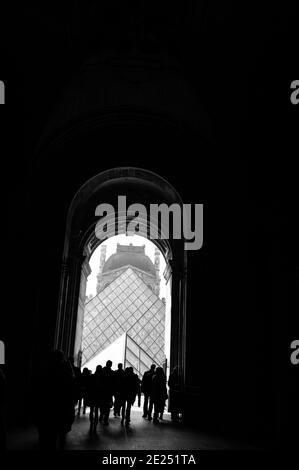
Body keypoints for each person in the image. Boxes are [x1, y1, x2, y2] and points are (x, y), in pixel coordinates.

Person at [37, 350, 76, 450]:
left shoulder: (44, 372)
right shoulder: (67, 374)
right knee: (61, 437)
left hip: (46, 411)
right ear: (62, 359)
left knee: (47, 440)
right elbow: (71, 394)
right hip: (62, 411)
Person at [88, 365, 103, 434]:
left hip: (92, 395)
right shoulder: (101, 378)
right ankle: (95, 426)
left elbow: (89, 387)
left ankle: (91, 423)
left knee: (91, 410)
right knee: (97, 410)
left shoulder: (92, 376)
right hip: (99, 396)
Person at [101, 360, 114, 425]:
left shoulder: (102, 371)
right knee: (108, 406)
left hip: (102, 391)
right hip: (109, 392)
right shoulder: (111, 372)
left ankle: (101, 416)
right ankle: (106, 419)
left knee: (102, 404)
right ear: (111, 365)